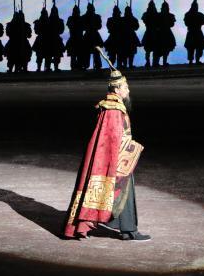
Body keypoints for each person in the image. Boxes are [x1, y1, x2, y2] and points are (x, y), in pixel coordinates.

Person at [62, 68, 150, 241]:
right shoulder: (113, 109)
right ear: (117, 89)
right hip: (115, 157)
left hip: (117, 156)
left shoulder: (111, 106)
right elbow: (111, 138)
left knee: (120, 192)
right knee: (123, 191)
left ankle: (126, 228)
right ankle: (129, 231)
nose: (128, 90)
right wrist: (125, 152)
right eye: (125, 87)